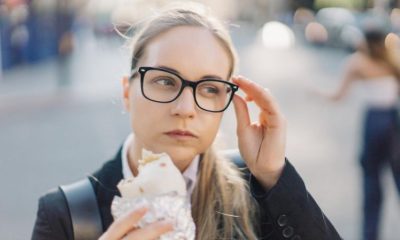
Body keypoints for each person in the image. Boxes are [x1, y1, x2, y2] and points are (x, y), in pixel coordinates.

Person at [32, 3, 342, 240]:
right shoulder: (68, 214)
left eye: (209, 89)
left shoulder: (258, 191)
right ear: (128, 93)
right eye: (165, 81)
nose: (185, 108)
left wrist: (274, 176)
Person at [324, 28, 400, 240]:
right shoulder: (393, 60)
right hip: (393, 121)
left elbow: (338, 96)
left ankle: (370, 235)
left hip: (375, 121)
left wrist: (315, 92)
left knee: (371, 181)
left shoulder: (357, 62)